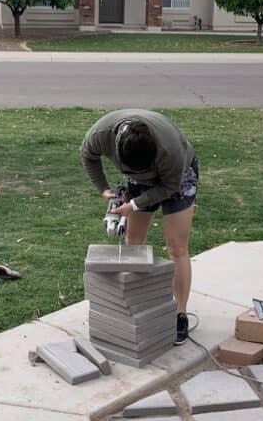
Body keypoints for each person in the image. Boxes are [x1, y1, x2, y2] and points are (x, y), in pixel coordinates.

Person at [80, 109, 198, 344]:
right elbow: (87, 155)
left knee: (177, 247)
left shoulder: (171, 151)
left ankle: (180, 314)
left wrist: (134, 204)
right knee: (133, 245)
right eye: (132, 171)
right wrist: (104, 189)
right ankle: (136, 305)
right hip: (142, 179)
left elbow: (169, 187)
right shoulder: (101, 133)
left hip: (177, 178)